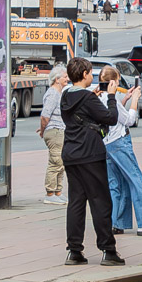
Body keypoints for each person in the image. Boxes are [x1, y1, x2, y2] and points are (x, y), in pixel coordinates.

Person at [59, 57, 122, 266]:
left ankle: (74, 251)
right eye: (90, 73)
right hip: (90, 154)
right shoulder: (87, 98)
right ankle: (108, 250)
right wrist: (111, 96)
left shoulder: (66, 95)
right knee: (100, 201)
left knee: (76, 203)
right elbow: (111, 118)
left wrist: (92, 97)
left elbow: (80, 111)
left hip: (71, 154)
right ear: (85, 74)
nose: (91, 76)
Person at [97, 67, 142, 236]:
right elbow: (129, 120)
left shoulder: (100, 98)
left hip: (106, 144)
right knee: (136, 180)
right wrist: (135, 100)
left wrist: (126, 98)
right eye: (118, 80)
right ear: (113, 82)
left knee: (116, 184)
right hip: (120, 143)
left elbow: (112, 115)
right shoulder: (108, 98)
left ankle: (116, 222)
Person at [38, 65, 69, 205]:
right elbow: (45, 115)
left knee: (60, 162)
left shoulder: (59, 93)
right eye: (65, 77)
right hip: (55, 130)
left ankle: (58, 192)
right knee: (56, 162)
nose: (67, 79)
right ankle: (50, 193)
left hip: (59, 130)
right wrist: (43, 130)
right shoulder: (52, 93)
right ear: (57, 79)